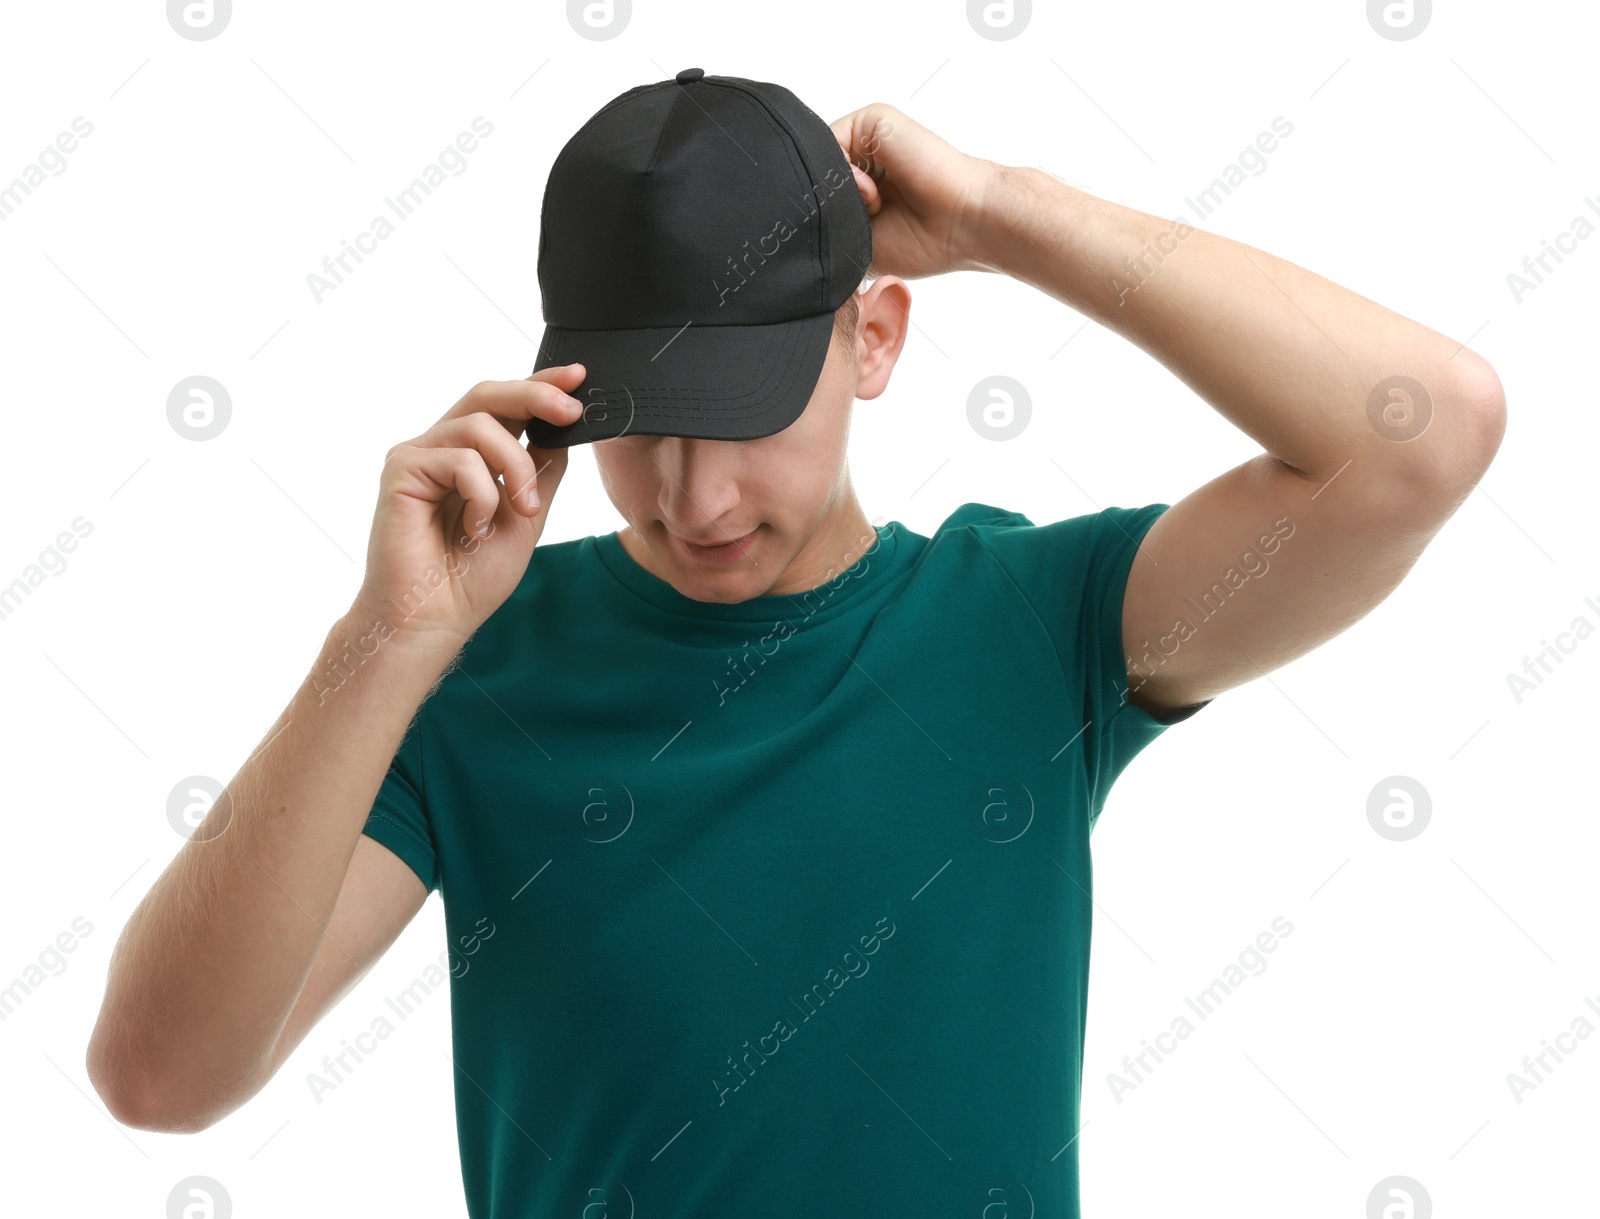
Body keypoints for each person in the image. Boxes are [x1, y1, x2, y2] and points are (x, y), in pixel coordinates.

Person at [86, 71, 1505, 1218]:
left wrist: (1011, 214)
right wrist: (383, 639)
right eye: (637, 421)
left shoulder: (1034, 626)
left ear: (874, 338)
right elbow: (159, 1079)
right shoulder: (476, 671)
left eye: (748, 407)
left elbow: (1426, 432)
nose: (694, 498)